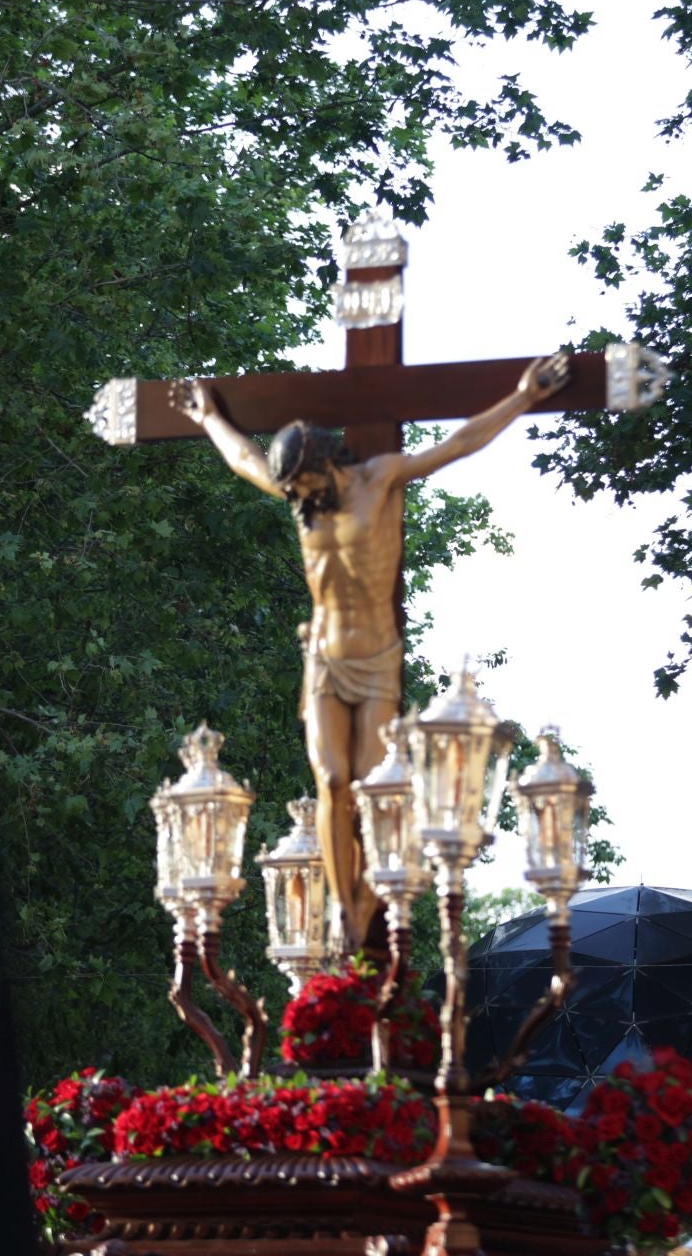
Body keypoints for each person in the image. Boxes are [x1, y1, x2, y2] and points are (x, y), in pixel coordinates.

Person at [181, 353, 571, 948]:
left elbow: (459, 443)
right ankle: (344, 906)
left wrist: (522, 397)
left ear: (327, 465)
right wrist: (210, 417)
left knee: (370, 787)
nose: (299, 496)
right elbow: (246, 460)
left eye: (306, 484)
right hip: (325, 661)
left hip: (377, 660)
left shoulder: (380, 478)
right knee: (333, 781)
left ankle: (371, 899)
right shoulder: (299, 496)